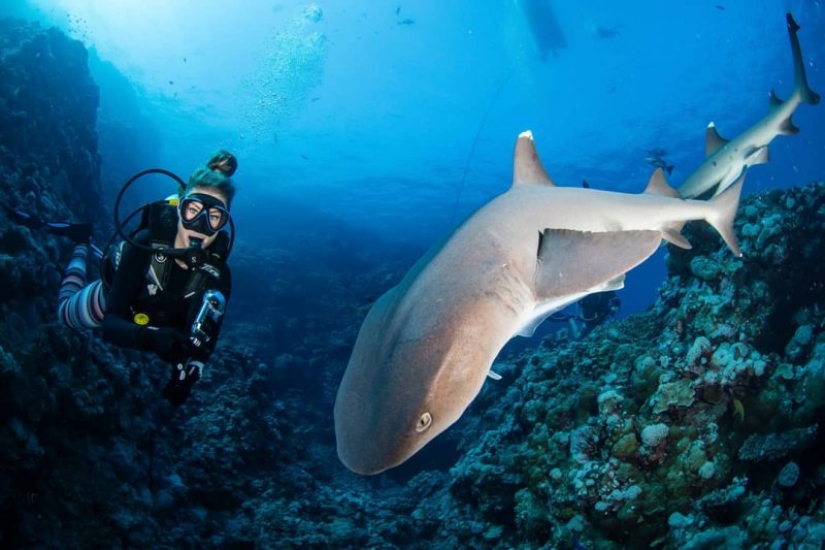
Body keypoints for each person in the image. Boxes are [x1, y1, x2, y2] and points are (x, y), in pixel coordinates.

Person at [16, 150, 238, 406]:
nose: (200, 226)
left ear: (223, 224)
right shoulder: (145, 244)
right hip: (117, 298)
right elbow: (110, 325)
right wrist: (152, 339)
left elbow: (206, 338)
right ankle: (81, 243)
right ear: (179, 208)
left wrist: (187, 375)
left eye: (213, 217)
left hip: (148, 305)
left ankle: (94, 250)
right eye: (193, 210)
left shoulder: (218, 276)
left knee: (130, 275)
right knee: (65, 314)